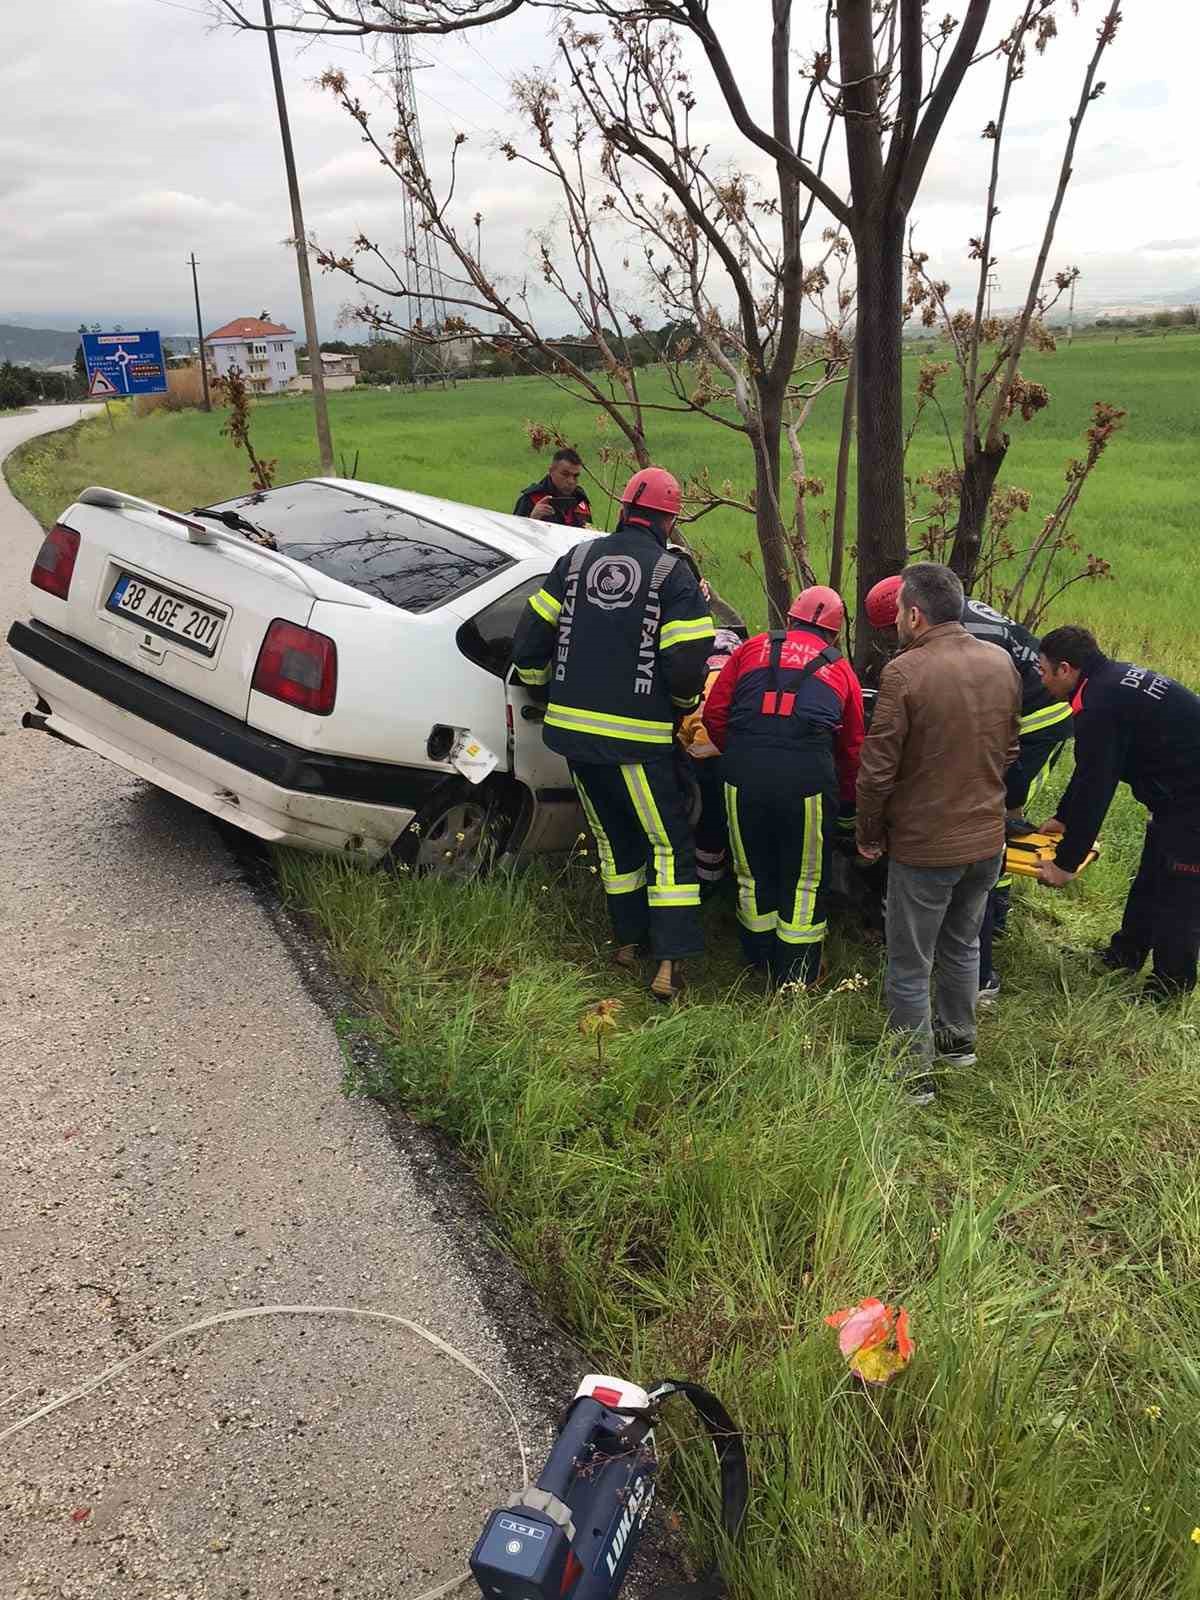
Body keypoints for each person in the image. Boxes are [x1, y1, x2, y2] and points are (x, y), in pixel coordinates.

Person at [510, 466, 714, 1000]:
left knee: (612, 839)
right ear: (668, 521)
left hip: (574, 736)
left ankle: (626, 943)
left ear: (624, 509)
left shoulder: (574, 561)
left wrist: (539, 687)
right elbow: (689, 663)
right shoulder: (674, 576)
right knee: (668, 846)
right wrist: (683, 706)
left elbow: (531, 638)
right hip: (638, 741)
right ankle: (669, 965)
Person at [863, 576, 1074, 1000]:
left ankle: (991, 917)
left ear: (911, 616)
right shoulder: (955, 618)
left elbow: (970, 722)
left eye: (892, 628)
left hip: (1039, 721)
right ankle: (982, 913)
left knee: (996, 812)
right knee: (985, 816)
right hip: (1017, 720)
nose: (891, 640)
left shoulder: (958, 646)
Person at [856, 564, 1020, 1103]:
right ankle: (958, 1045)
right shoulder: (1002, 663)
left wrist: (869, 832)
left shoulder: (905, 673)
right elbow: (1009, 751)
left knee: (909, 961)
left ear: (914, 614)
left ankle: (911, 1078)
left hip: (927, 845)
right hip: (986, 842)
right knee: (963, 943)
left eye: (899, 611)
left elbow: (877, 770)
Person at [702, 586, 865, 988]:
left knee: (750, 871)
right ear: (834, 633)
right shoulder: (840, 668)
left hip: (742, 773)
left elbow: (715, 713)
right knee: (806, 878)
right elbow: (853, 747)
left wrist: (740, 752)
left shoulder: (751, 648)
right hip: (807, 780)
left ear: (789, 619)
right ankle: (797, 973)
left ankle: (758, 962)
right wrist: (845, 800)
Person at [1035, 626, 1200, 999]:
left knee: (1179, 892)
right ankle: (1124, 954)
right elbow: (1092, 766)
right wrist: (1063, 816)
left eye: (1043, 670)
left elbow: (1098, 788)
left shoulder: (1101, 703)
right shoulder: (1106, 683)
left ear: (1065, 668)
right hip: (1176, 797)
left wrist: (1065, 863)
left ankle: (1170, 987)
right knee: (1152, 876)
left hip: (1192, 802)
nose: (1040, 680)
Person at [676, 625, 745, 894]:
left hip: (701, 759)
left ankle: (709, 880)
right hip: (739, 759)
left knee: (707, 821)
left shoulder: (695, 678)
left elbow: (681, 732)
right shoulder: (742, 675)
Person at [513, 447, 592, 528]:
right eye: (565, 474)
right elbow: (513, 537)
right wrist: (533, 518)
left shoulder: (581, 500)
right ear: (551, 471)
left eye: (576, 476)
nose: (571, 481)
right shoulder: (531, 499)